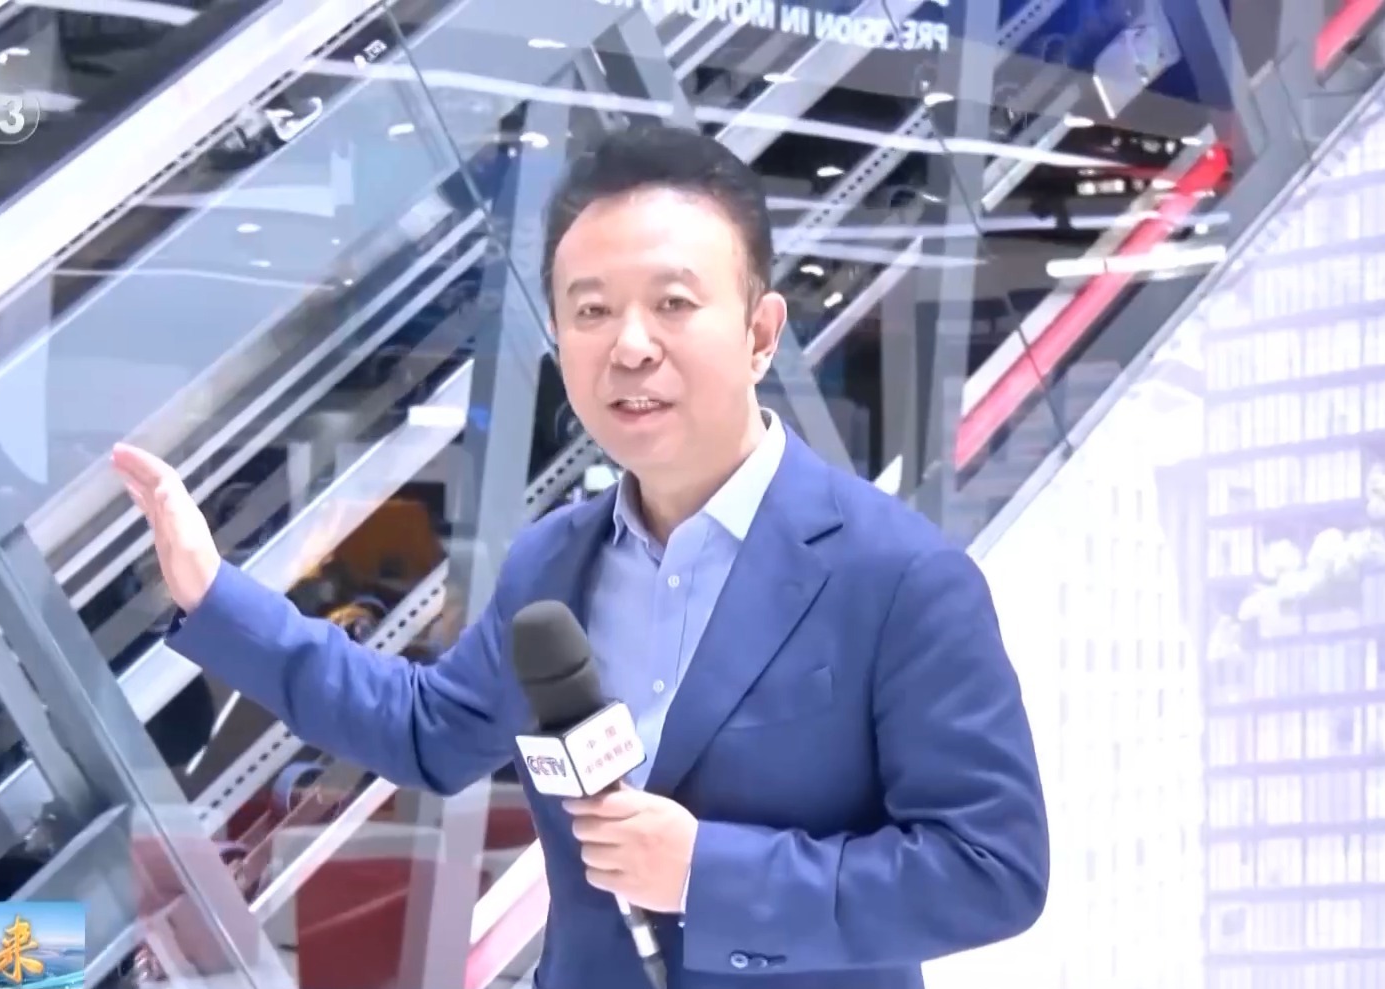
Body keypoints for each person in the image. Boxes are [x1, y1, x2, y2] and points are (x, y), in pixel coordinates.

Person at [113, 125, 1048, 989]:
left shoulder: (899, 579)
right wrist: (214, 593)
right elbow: (427, 729)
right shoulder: (553, 563)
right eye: (591, 310)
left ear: (761, 333)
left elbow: (992, 869)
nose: (630, 345)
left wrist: (707, 872)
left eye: (673, 303)